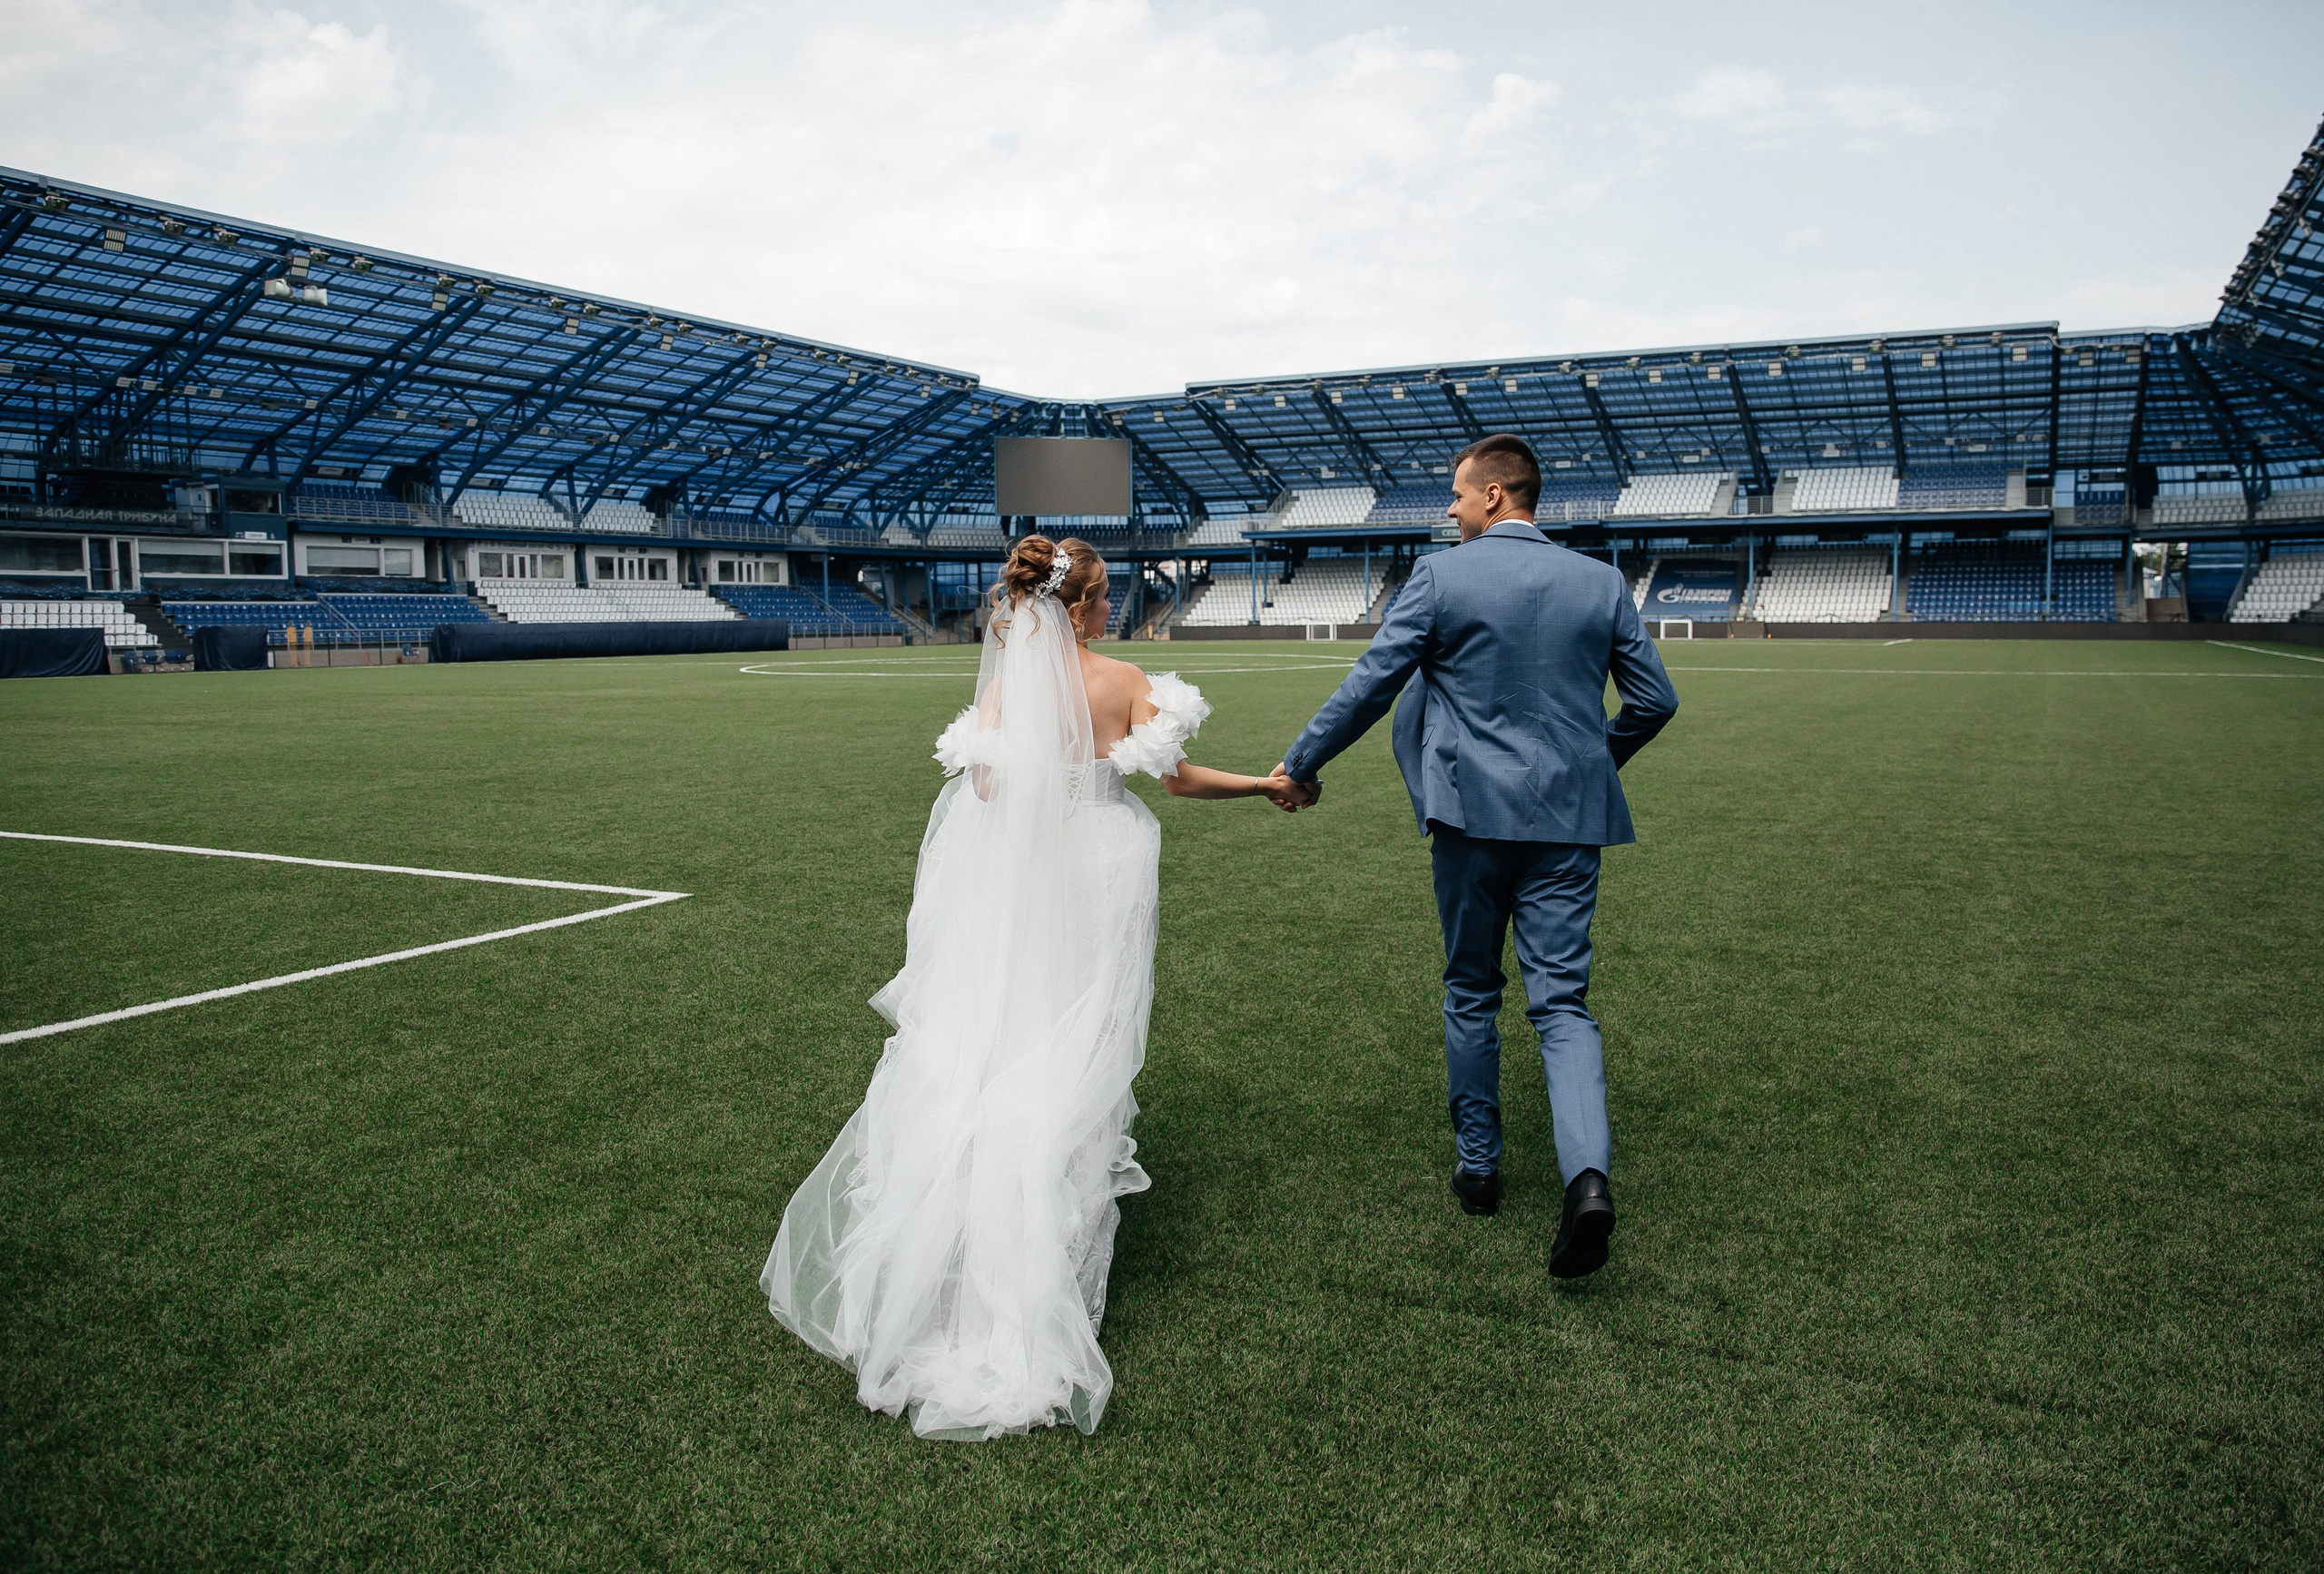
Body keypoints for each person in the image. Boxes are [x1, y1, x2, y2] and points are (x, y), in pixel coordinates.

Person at [761, 536, 1304, 1441]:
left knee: (1003, 1043)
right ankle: (1040, 1251)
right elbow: (1175, 782)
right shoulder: (1125, 682)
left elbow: (982, 790)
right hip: (1099, 871)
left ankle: (959, 1250)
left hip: (1021, 885)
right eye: (1105, 596)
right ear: (1083, 607)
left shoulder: (1008, 688)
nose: (1111, 607)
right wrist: (1264, 785)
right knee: (1078, 1047)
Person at [1272, 435, 1678, 1279]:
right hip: (1569, 821)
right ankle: (1587, 1181)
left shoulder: (1440, 577)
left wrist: (1299, 764)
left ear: (1494, 495)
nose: (1450, 509)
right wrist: (1591, 763)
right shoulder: (1602, 582)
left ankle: (1481, 1170)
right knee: (1562, 1005)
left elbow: (1370, 685)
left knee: (1470, 989)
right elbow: (1655, 701)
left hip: (1470, 819)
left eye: (1457, 494)